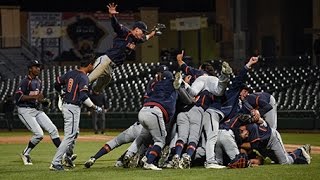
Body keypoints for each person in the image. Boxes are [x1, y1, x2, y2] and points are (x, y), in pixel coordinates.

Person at [88, 2, 162, 92]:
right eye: (142, 31)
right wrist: (112, 16)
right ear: (137, 29)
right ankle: (68, 90)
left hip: (111, 68)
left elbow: (145, 38)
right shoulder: (125, 32)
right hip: (106, 61)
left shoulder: (136, 39)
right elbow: (116, 26)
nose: (143, 33)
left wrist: (153, 33)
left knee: (98, 88)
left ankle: (90, 93)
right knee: (87, 80)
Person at [50, 54, 103, 171]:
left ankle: (68, 157)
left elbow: (56, 83)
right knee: (69, 136)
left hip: (67, 105)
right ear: (89, 64)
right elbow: (83, 96)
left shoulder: (70, 73)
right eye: (92, 64)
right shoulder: (83, 77)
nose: (93, 67)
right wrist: (94, 107)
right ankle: (56, 162)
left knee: (75, 133)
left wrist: (61, 93)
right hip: (73, 107)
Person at [15, 60, 61, 165]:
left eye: (39, 67)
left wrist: (43, 101)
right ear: (30, 69)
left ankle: (64, 154)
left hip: (35, 109)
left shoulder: (38, 81)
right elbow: (18, 97)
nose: (38, 69)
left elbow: (38, 97)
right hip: (24, 110)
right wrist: (35, 97)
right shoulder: (25, 81)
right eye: (35, 67)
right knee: (39, 134)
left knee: (53, 130)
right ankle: (25, 153)